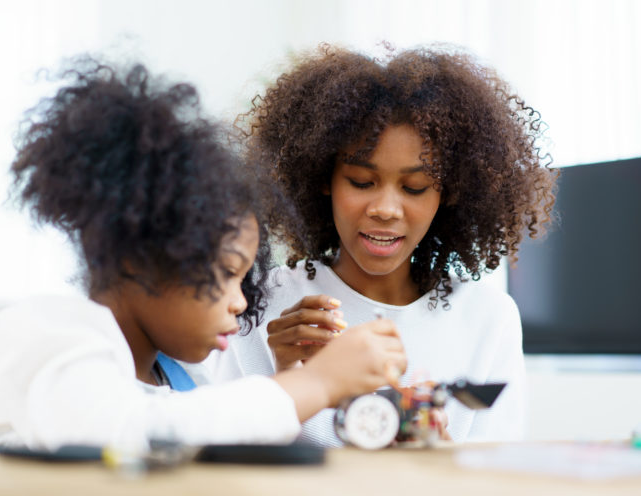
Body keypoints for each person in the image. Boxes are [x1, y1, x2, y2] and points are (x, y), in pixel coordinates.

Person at [0, 57, 407, 452]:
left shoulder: (180, 383)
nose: (240, 300)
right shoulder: (41, 335)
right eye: (226, 272)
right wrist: (316, 383)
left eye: (243, 277)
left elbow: (215, 443)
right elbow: (135, 435)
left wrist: (328, 396)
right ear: (137, 257)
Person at [201, 45, 558, 446]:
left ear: (451, 192)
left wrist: (440, 457)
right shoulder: (258, 304)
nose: (386, 209)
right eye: (361, 181)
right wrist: (289, 382)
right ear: (324, 177)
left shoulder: (487, 318)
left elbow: (498, 483)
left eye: (415, 187)